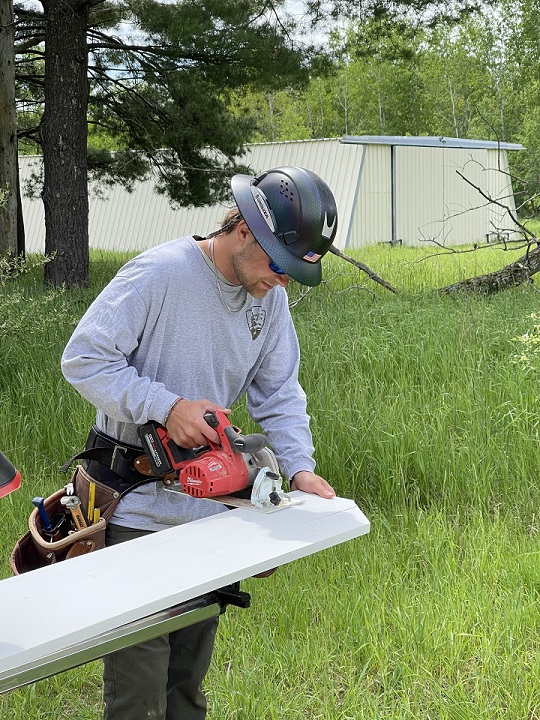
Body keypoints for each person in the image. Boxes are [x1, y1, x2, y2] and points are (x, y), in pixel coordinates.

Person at [61, 165, 339, 720]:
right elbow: (84, 360)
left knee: (186, 688)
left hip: (208, 515)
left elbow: (278, 393)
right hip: (134, 506)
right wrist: (166, 407)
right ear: (243, 231)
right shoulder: (161, 274)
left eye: (292, 274)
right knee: (139, 696)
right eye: (276, 266)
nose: (281, 282)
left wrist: (301, 470)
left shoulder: (271, 298)